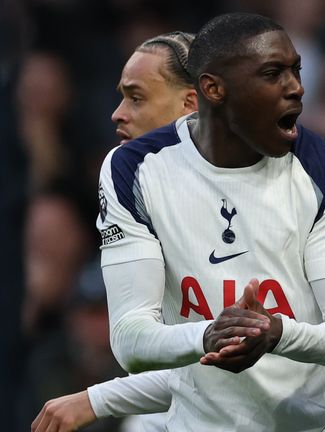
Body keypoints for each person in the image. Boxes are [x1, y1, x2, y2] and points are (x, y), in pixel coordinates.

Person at [39, 13, 325, 432]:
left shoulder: (323, 167)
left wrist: (275, 332)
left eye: (295, 71)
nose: (296, 88)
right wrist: (206, 338)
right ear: (212, 90)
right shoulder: (132, 172)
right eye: (274, 73)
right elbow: (138, 342)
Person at [32, 31, 199, 432]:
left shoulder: (266, 194)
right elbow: (136, 348)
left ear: (189, 104)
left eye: (136, 97)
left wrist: (94, 399)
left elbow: (236, 365)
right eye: (121, 96)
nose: (117, 113)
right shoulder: (128, 183)